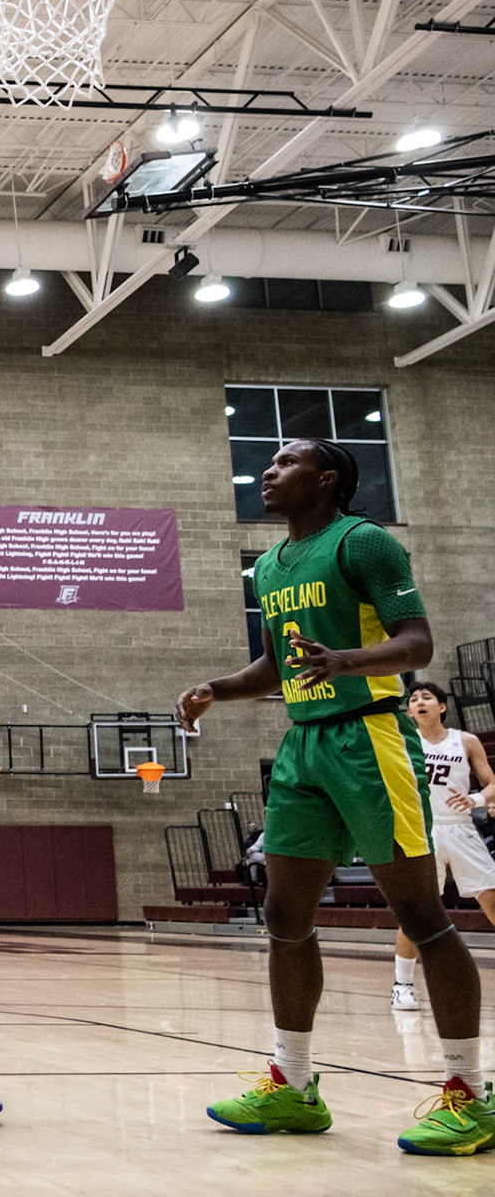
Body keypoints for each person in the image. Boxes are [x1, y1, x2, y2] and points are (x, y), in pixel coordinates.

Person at [178, 438, 490, 1155]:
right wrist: (216, 689)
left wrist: (346, 660)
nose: (269, 470)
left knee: (420, 913)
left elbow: (417, 643)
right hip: (304, 743)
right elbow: (278, 664)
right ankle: (293, 1084)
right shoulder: (269, 565)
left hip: (371, 736)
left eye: (286, 462)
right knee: (283, 913)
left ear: (325, 479)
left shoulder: (364, 542)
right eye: (270, 462)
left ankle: (471, 1094)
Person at [389, 682, 495, 1011]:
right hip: (422, 830)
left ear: (442, 706)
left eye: (427, 697)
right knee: (417, 910)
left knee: (492, 898)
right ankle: (402, 985)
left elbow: (491, 783)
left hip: (460, 826)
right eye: (413, 699)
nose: (419, 701)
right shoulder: (403, 741)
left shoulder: (466, 740)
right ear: (409, 711)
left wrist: (478, 799)